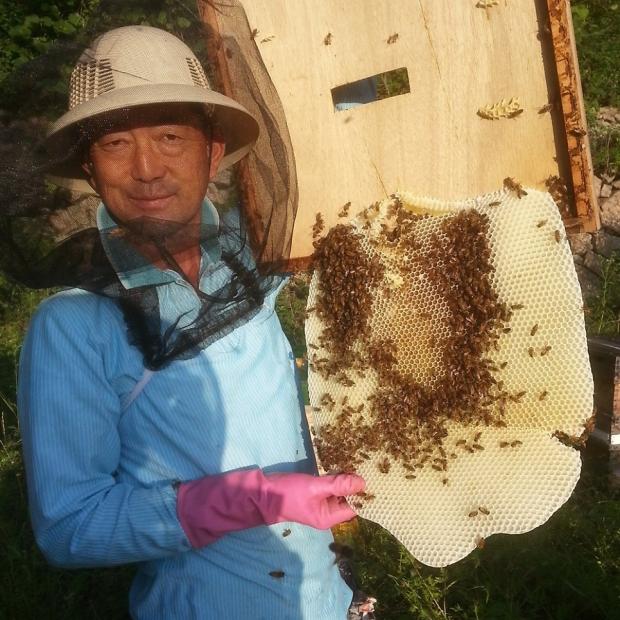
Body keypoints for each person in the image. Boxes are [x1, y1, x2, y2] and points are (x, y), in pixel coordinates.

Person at [17, 25, 365, 619]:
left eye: (170, 136)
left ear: (212, 151)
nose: (147, 168)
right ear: (91, 168)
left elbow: (352, 129)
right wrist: (252, 500)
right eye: (116, 143)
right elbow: (70, 526)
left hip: (328, 595)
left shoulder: (255, 252)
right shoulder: (72, 326)